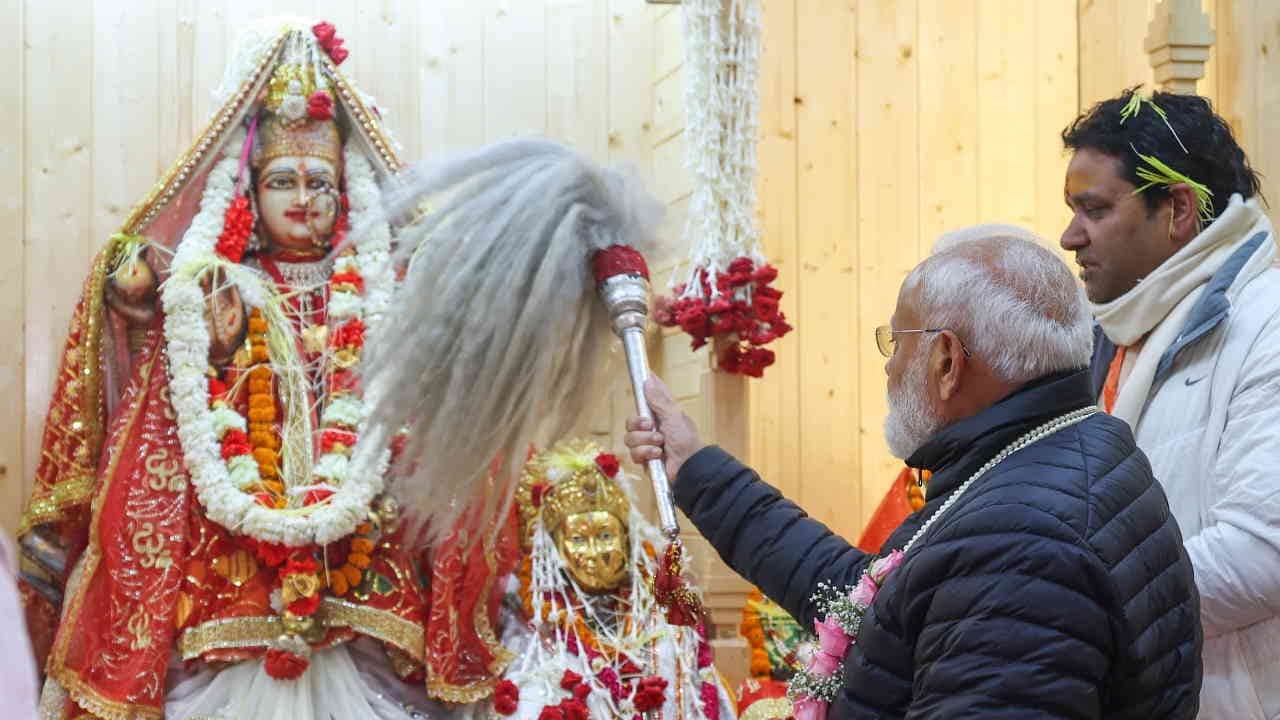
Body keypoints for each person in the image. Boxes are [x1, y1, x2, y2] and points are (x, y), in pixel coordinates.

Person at [17, 18, 512, 719]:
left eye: (320, 182)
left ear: (346, 196)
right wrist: (143, 294)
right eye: (283, 180)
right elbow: (150, 328)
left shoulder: (377, 293)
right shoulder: (220, 285)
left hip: (361, 531)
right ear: (251, 192)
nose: (303, 198)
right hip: (235, 534)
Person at [625, 229, 1202, 718]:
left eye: (895, 342)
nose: (889, 365)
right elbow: (877, 602)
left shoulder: (1017, 544)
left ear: (946, 361)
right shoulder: (1060, 447)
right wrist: (696, 469)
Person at [1060, 88, 1278, 720]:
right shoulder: (1117, 330)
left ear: (1178, 208)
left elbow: (1264, 554)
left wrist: (1073, 604)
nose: (1070, 235)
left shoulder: (1268, 324)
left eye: (1093, 209)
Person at [477, 439, 736, 720]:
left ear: (626, 540)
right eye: (577, 539)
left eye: (605, 535)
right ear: (554, 551)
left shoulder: (667, 618)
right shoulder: (533, 634)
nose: (596, 553)